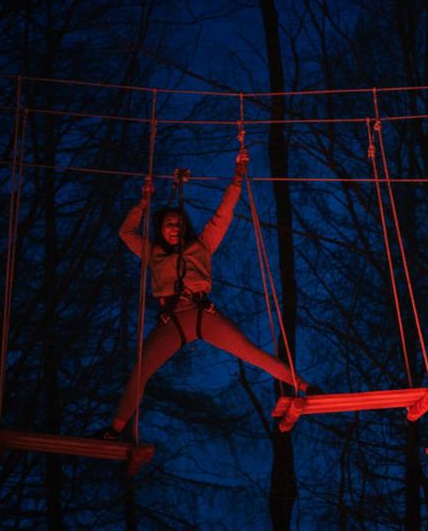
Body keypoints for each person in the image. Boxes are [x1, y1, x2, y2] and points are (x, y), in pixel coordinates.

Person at [101, 152, 318, 439]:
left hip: (203, 314)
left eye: (178, 224)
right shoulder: (153, 253)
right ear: (161, 230)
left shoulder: (201, 246)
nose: (174, 229)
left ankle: (303, 386)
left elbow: (223, 214)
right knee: (141, 370)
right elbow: (126, 232)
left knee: (250, 352)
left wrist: (238, 178)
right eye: (169, 225)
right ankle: (115, 430)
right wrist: (143, 202)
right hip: (173, 320)